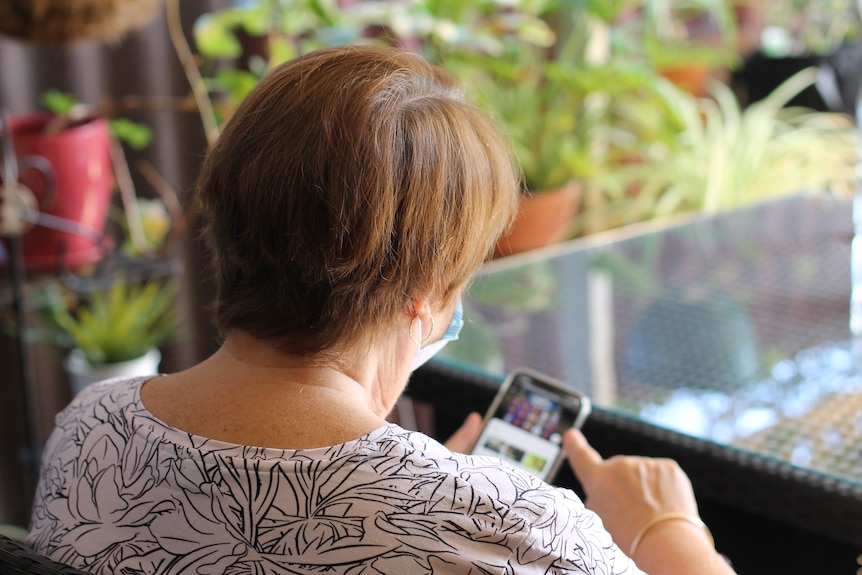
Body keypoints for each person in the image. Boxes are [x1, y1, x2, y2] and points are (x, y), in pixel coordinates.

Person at [28, 45, 735, 575]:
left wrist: (424, 486)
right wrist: (666, 531)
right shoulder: (523, 532)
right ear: (426, 288)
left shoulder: (89, 429)